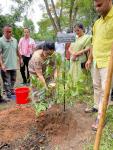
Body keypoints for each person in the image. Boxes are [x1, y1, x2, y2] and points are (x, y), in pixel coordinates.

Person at [85, 0, 113, 130]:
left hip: (108, 62)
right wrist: (90, 59)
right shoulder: (97, 23)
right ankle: (97, 107)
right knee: (96, 86)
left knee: (105, 90)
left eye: (100, 5)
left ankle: (101, 117)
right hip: (96, 61)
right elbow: (93, 43)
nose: (97, 9)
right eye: (95, 5)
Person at [0, 25, 21, 99]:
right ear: (4, 32)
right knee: (6, 81)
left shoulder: (14, 40)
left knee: (13, 79)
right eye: (7, 32)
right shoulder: (0, 40)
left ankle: (11, 90)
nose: (9, 33)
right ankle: (8, 94)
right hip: (5, 66)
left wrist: (20, 59)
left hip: (13, 65)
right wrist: (2, 64)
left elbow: (17, 51)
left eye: (10, 31)